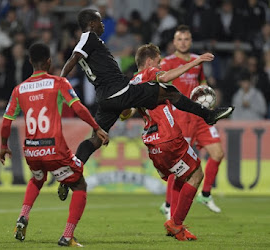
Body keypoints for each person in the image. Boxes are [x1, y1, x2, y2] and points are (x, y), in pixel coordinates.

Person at [58, 9, 234, 200]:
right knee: (168, 91)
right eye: (100, 22)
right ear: (92, 24)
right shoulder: (88, 38)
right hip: (119, 90)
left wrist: (126, 110)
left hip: (106, 98)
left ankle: (70, 174)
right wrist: (58, 83)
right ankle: (208, 115)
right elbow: (73, 58)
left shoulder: (91, 43)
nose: (103, 25)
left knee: (96, 139)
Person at [0, 42, 109, 247]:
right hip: (54, 149)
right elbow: (79, 108)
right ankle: (67, 236)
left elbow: (6, 122)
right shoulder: (59, 83)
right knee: (80, 185)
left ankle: (23, 216)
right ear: (49, 61)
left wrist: (4, 145)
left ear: (30, 62)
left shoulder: (19, 89)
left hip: (31, 150)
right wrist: (97, 128)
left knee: (37, 178)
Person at [120, 43, 221, 241]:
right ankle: (176, 223)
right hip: (168, 136)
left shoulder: (132, 84)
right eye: (158, 62)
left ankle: (174, 224)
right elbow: (165, 77)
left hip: (152, 142)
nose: (160, 66)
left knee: (180, 176)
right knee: (196, 174)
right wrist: (196, 61)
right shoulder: (151, 72)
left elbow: (126, 113)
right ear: (149, 62)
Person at [160, 24, 226, 215]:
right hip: (181, 118)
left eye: (186, 39)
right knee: (179, 165)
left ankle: (205, 194)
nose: (183, 42)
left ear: (191, 41)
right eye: (179, 39)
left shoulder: (198, 61)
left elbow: (202, 82)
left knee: (218, 153)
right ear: (174, 42)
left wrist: (208, 97)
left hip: (200, 117)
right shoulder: (167, 62)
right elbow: (161, 83)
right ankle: (168, 205)